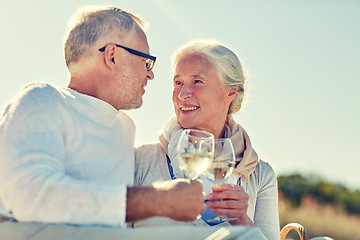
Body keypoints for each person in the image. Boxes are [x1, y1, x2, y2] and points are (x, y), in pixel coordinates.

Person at [0, 5, 206, 228]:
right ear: (112, 56)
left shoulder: (125, 128)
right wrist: (154, 199)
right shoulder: (43, 99)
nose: (151, 73)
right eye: (146, 61)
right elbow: (27, 195)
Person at [134, 39, 280, 240]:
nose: (183, 94)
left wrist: (242, 222)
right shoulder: (142, 161)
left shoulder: (260, 176)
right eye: (178, 83)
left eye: (198, 81)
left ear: (230, 92)